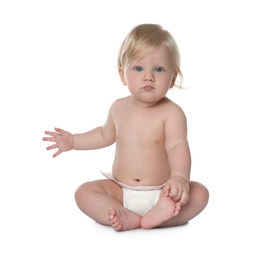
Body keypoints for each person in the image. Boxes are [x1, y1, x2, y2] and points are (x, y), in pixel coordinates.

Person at [43, 23, 209, 231]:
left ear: (173, 77)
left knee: (200, 193)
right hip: (120, 190)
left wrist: (179, 178)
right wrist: (74, 141)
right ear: (122, 75)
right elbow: (104, 135)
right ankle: (124, 214)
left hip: (163, 192)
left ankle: (160, 214)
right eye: (138, 68)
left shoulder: (172, 112)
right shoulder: (118, 108)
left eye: (159, 69)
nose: (149, 76)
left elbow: (177, 146)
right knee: (83, 193)